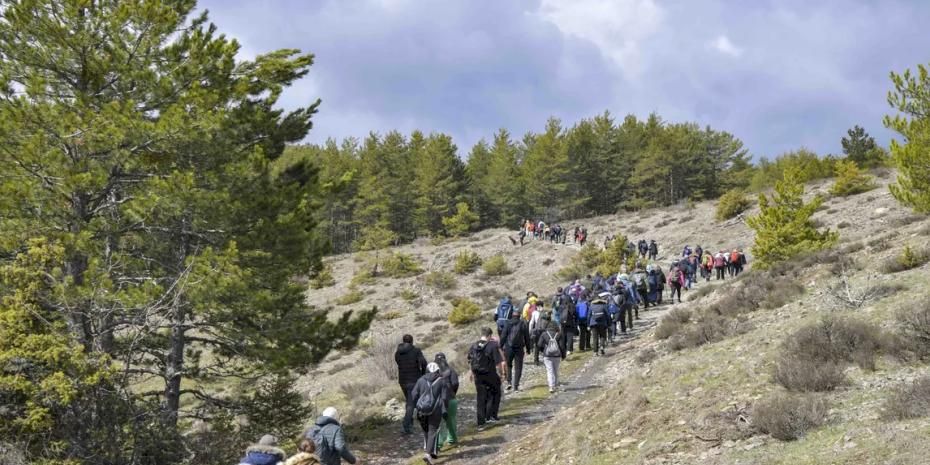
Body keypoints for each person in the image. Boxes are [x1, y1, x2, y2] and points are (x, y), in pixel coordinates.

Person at [411, 362, 449, 465]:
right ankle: (428, 453)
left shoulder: (420, 380)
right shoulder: (442, 381)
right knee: (432, 431)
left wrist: (417, 405)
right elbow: (445, 397)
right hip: (435, 411)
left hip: (421, 410)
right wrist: (445, 409)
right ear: (438, 370)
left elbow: (413, 394)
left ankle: (430, 450)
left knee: (426, 431)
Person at [468, 328, 504, 430]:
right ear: (489, 336)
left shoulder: (474, 346)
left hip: (478, 375)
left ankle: (480, 422)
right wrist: (501, 374)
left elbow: (470, 360)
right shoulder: (492, 345)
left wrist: (472, 373)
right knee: (495, 392)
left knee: (481, 397)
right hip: (490, 374)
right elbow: (498, 363)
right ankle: (492, 416)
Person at [395, 334, 427, 435]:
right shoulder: (416, 351)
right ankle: (406, 426)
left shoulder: (398, 352)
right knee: (411, 404)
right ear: (412, 341)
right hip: (414, 380)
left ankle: (411, 423)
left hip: (402, 381)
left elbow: (398, 362)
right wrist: (422, 374)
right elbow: (423, 363)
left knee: (409, 401)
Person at [434, 353, 459, 451]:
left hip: (438, 401)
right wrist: (452, 392)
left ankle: (438, 444)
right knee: (451, 420)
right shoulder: (451, 371)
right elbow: (455, 383)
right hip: (451, 399)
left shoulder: (433, 373)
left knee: (438, 423)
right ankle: (452, 439)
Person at [500, 311, 530, 391]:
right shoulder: (523, 324)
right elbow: (527, 337)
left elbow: (503, 336)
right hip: (519, 349)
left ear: (512, 316)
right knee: (518, 367)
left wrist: (500, 346)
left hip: (508, 348)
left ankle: (509, 382)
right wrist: (528, 349)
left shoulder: (507, 323)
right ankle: (516, 386)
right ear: (519, 316)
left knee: (508, 365)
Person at [536, 315, 566, 394]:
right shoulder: (559, 334)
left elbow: (539, 345)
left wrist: (543, 351)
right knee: (556, 370)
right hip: (557, 355)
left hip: (547, 355)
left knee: (550, 371)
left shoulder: (544, 334)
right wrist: (563, 355)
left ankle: (551, 386)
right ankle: (555, 384)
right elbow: (562, 346)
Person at [558, 290, 578, 355]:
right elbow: (575, 314)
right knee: (570, 336)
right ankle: (569, 350)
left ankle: (563, 349)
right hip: (571, 322)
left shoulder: (561, 306)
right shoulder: (572, 306)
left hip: (563, 323)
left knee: (563, 336)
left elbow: (559, 314)